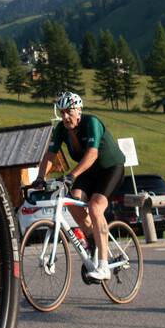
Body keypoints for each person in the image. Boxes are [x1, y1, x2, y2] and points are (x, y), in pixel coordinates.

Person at [32, 92, 125, 281]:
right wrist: (40, 177)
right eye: (62, 112)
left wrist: (71, 175)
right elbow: (50, 155)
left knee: (95, 207)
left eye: (69, 112)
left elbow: (92, 154)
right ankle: (93, 240)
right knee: (72, 201)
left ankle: (104, 266)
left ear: (79, 111)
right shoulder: (60, 130)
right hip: (88, 172)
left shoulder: (92, 123)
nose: (65, 116)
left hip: (110, 168)